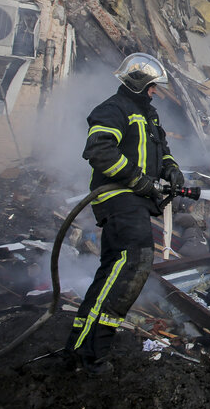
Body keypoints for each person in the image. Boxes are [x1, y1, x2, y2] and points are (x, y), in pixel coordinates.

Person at [65, 53, 184, 375]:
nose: (155, 92)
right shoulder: (113, 110)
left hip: (135, 200)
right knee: (133, 262)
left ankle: (82, 347)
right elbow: (100, 151)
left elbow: (163, 152)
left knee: (117, 270)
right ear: (139, 83)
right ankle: (91, 352)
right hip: (119, 198)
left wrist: (171, 170)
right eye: (152, 86)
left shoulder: (149, 116)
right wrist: (137, 180)